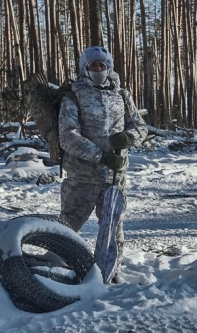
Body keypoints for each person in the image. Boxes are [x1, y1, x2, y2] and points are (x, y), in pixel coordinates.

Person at [58, 46, 147, 282]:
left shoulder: (122, 95)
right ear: (84, 69)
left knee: (113, 226)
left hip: (115, 177)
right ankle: (55, 270)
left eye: (102, 65)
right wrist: (100, 155)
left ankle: (109, 271)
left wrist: (129, 137)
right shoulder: (74, 95)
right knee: (67, 225)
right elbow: (68, 136)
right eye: (92, 65)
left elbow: (140, 127)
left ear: (109, 68)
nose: (98, 69)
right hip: (82, 177)